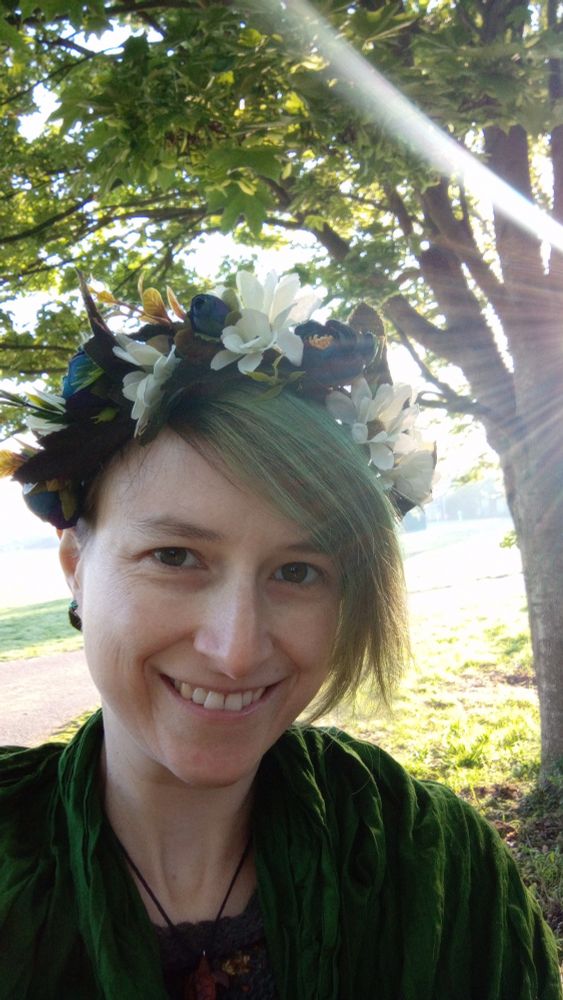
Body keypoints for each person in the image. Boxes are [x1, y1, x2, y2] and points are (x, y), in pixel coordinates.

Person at [0, 268, 560, 1000]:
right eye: (175, 557)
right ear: (76, 567)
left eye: (298, 572)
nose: (235, 649)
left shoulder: (438, 867)